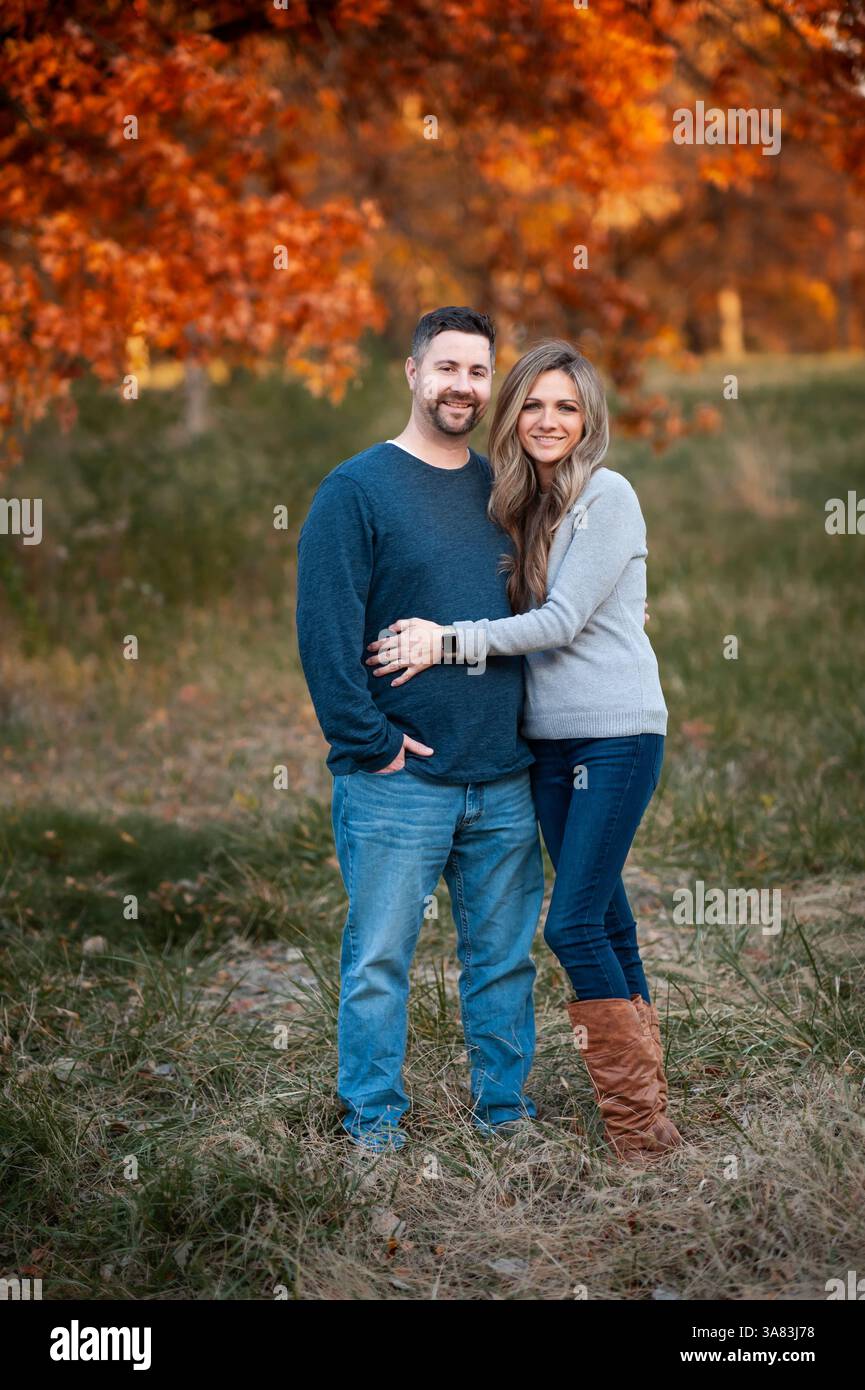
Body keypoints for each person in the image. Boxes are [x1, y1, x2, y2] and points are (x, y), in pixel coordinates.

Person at [366, 339, 683, 1159]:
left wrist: (442, 644)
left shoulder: (605, 496)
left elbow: (559, 623)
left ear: (589, 421)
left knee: (571, 924)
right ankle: (650, 1101)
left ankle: (637, 1131)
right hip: (543, 743)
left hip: (615, 734)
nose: (548, 421)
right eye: (533, 405)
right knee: (607, 917)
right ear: (514, 415)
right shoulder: (521, 505)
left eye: (566, 407)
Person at [295, 307, 545, 1152]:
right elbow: (324, 638)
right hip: (397, 782)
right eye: (446, 369)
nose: (462, 387)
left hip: (506, 775)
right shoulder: (356, 491)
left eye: (478, 373)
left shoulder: (505, 491)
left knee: (504, 962)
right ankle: (373, 1124)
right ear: (411, 373)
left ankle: (504, 1114)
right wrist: (371, 745)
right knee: (378, 963)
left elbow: (539, 616)